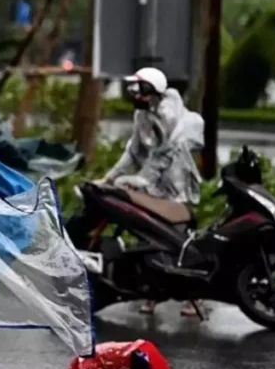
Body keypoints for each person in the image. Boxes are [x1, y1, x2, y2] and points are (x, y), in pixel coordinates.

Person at [69, 67, 205, 317]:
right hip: (152, 185)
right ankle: (153, 293)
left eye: (141, 89)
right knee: (148, 233)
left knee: (177, 238)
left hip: (175, 183)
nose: (136, 95)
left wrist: (141, 179)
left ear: (154, 91)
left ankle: (194, 293)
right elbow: (132, 151)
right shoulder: (142, 115)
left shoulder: (171, 116)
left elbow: (163, 154)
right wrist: (109, 178)